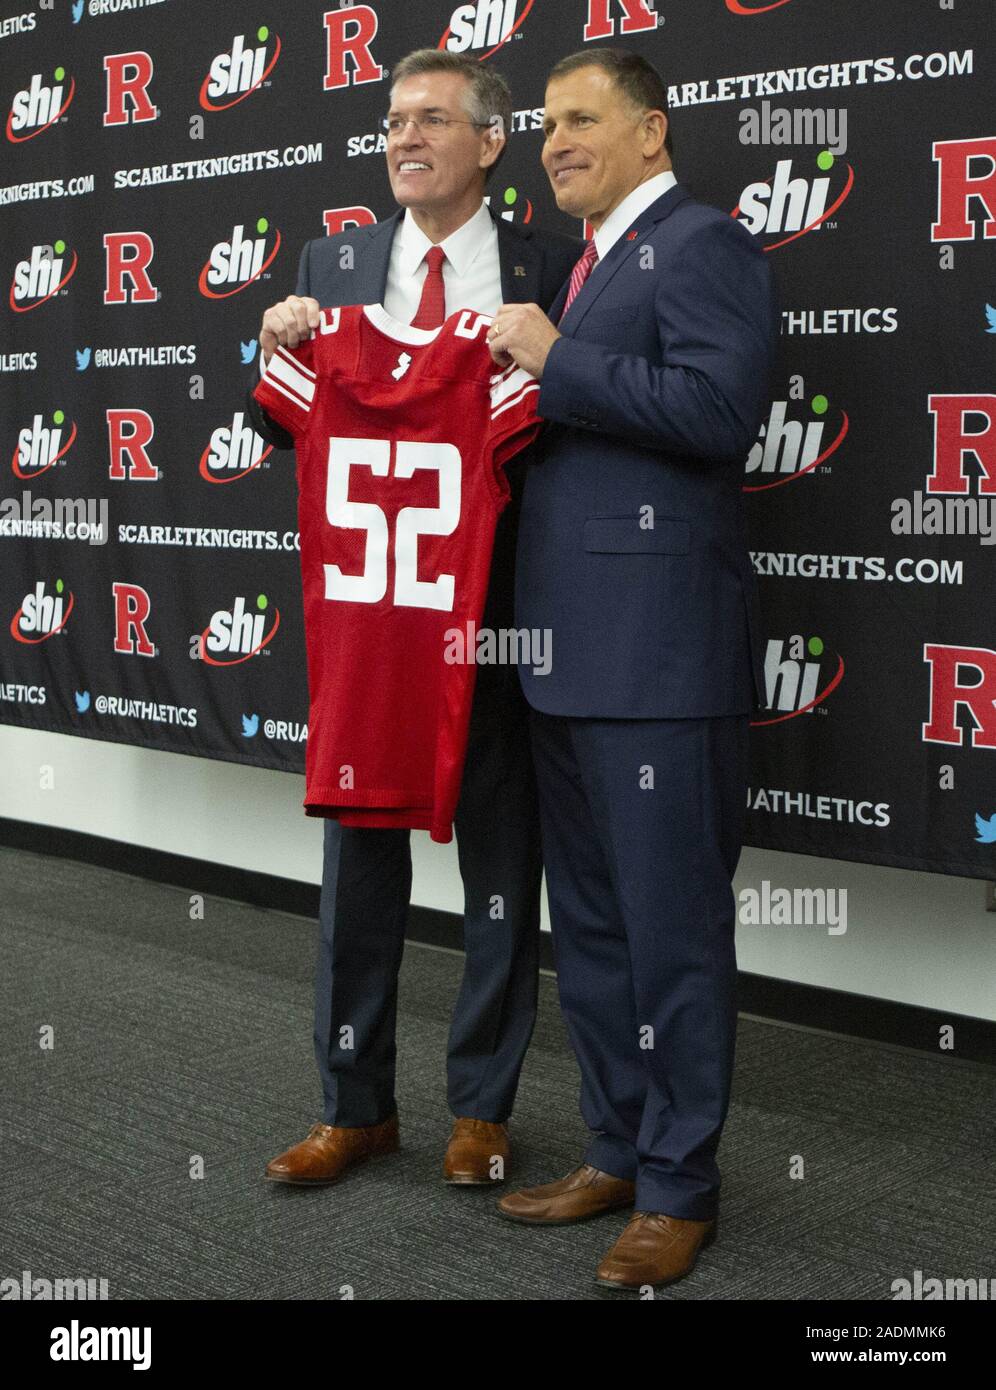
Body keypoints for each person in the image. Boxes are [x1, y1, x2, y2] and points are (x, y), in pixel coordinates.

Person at [247, 50, 579, 1189]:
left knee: (502, 868)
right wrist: (275, 348)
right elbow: (284, 427)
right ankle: (354, 1106)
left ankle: (482, 1109)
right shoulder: (330, 263)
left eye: (432, 120)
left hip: (502, 614)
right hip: (375, 630)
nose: (405, 139)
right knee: (357, 871)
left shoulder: (553, 264)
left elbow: (574, 426)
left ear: (490, 142)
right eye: (393, 122)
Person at [485, 48, 779, 1288]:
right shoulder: (585, 265)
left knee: (672, 935)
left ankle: (679, 1187)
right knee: (597, 932)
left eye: (581, 118)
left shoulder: (704, 244)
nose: (554, 141)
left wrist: (555, 357)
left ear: (652, 131)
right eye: (547, 122)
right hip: (564, 660)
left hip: (659, 661)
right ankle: (616, 1148)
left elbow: (720, 412)